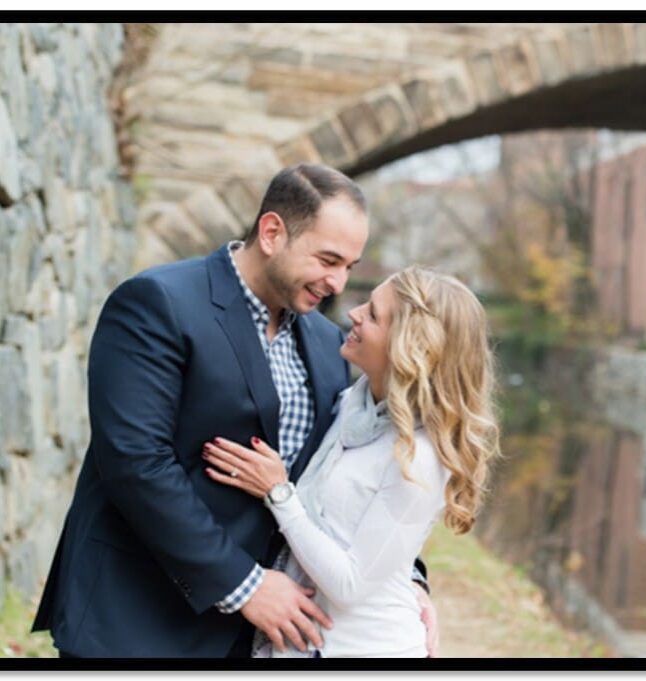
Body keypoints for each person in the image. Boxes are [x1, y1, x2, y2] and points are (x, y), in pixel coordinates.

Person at [32, 164, 436, 657]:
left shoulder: (330, 344)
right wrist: (244, 584)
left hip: (247, 643)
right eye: (329, 259)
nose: (338, 282)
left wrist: (405, 576)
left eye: (350, 266)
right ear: (272, 233)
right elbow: (136, 463)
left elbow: (352, 472)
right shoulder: (157, 303)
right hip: (133, 619)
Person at [202, 266, 500, 657]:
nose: (354, 313)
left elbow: (350, 584)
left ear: (410, 347)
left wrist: (278, 493)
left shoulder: (420, 459)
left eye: (373, 315)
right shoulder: (352, 403)